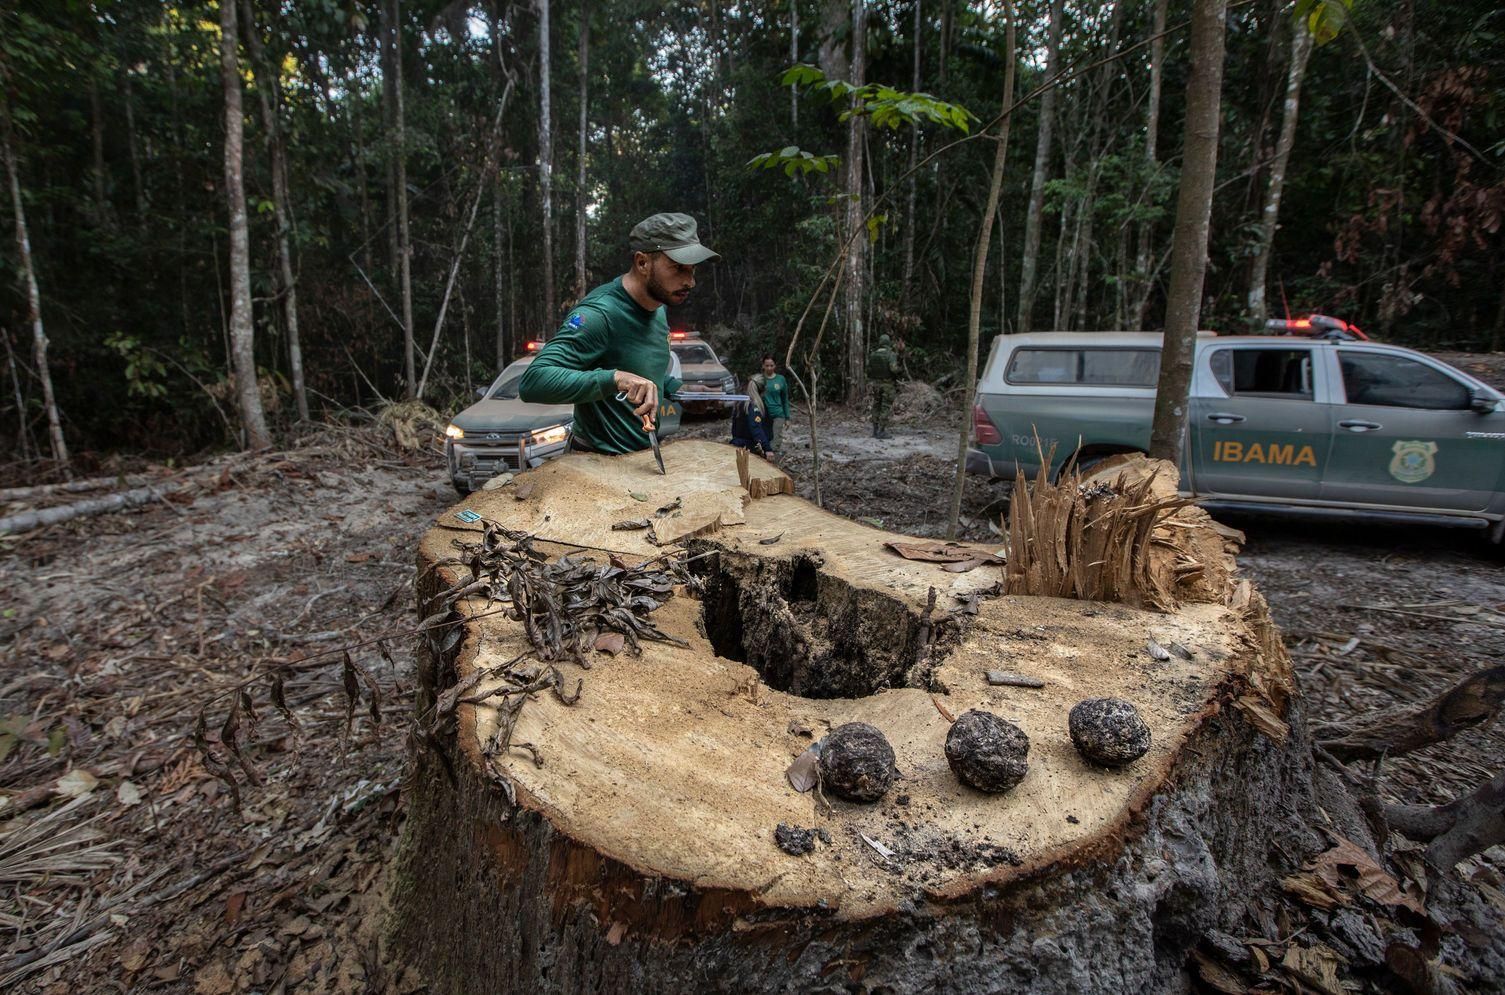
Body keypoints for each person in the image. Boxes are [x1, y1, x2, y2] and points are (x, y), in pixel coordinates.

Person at [518, 212, 719, 453]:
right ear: (643, 263)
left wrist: (678, 390)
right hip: (594, 463)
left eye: (692, 270)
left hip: (641, 458)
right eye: (677, 268)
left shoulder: (658, 306)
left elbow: (636, 365)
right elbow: (533, 381)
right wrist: (615, 379)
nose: (690, 281)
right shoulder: (599, 314)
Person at [750, 354, 789, 455]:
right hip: (763, 414)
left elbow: (785, 399)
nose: (769, 368)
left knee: (776, 440)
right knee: (765, 438)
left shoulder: (781, 379)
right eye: (767, 365)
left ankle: (773, 460)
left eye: (771, 365)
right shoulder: (759, 380)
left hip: (778, 414)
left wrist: (787, 417)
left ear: (775, 366)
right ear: (763, 365)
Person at [729, 379, 775, 459]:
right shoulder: (754, 406)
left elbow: (734, 428)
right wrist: (767, 448)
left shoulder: (740, 403)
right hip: (749, 448)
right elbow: (755, 427)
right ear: (763, 391)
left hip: (739, 445)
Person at [867, 333, 900, 439]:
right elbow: (894, 369)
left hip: (876, 384)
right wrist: (899, 373)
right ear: (888, 342)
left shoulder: (873, 354)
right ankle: (882, 431)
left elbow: (868, 371)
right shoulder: (891, 354)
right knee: (885, 407)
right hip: (887, 385)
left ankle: (875, 430)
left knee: (876, 406)